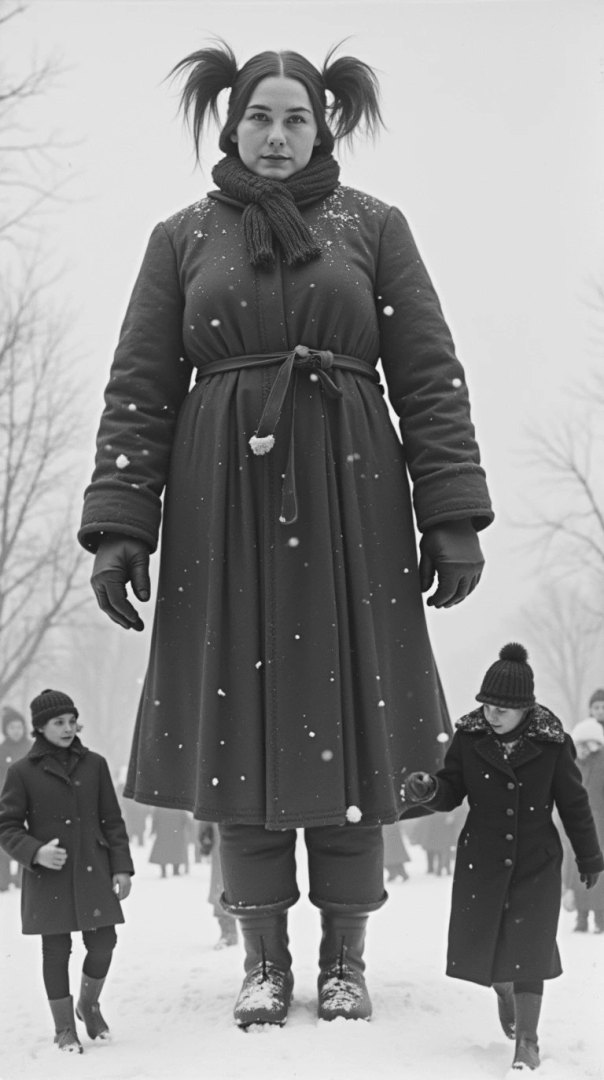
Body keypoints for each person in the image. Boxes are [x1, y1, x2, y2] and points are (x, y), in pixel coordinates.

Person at [78, 42, 493, 1027]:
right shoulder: (180, 238)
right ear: (232, 126)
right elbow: (139, 389)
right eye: (258, 117)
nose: (274, 135)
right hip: (220, 510)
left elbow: (428, 374)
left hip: (354, 509)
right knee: (239, 734)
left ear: (323, 126)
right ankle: (261, 958)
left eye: (293, 118)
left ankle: (343, 958)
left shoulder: (374, 229)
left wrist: (451, 513)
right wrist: (120, 528)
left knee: (351, 732)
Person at [403, 644, 603, 1072]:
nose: (492, 715)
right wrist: (429, 790)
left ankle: (527, 1041)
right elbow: (451, 789)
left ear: (524, 709)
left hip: (536, 860)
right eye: (487, 706)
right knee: (487, 945)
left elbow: (574, 805)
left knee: (531, 946)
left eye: (502, 710)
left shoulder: (552, 744)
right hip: (483, 860)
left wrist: (590, 858)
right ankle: (504, 989)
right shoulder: (471, 738)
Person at [0, 689, 134, 1054]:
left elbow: (112, 820)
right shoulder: (21, 772)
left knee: (104, 942)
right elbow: (6, 826)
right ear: (40, 727)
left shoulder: (95, 764)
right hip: (50, 875)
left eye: (72, 721)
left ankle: (88, 1005)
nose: (68, 728)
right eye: (59, 722)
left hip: (93, 870)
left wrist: (121, 867)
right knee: (56, 951)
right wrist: (35, 852)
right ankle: (64, 1029)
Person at [564, 718, 604, 933]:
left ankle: (600, 918)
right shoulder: (574, 763)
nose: (584, 749)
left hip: (600, 825)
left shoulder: (603, 762)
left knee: (599, 873)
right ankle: (581, 916)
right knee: (577, 871)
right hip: (578, 823)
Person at [0, 706, 31, 891]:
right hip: (5, 801)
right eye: (12, 727)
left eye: (19, 727)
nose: (16, 731)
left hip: (29, 802)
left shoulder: (31, 748)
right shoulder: (2, 750)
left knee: (26, 839)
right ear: (5, 729)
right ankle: (3, 879)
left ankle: (23, 877)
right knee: (4, 839)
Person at [198, 821, 239, 947]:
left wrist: (204, 838)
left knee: (222, 888)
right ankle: (229, 932)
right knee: (223, 888)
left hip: (225, 842)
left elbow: (203, 824)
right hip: (242, 842)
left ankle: (229, 933)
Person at [148, 805, 190, 877]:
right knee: (176, 852)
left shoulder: (159, 807)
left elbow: (155, 820)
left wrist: (152, 831)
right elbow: (186, 821)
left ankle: (163, 871)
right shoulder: (179, 807)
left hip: (163, 833)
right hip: (176, 834)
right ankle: (176, 870)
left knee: (163, 852)